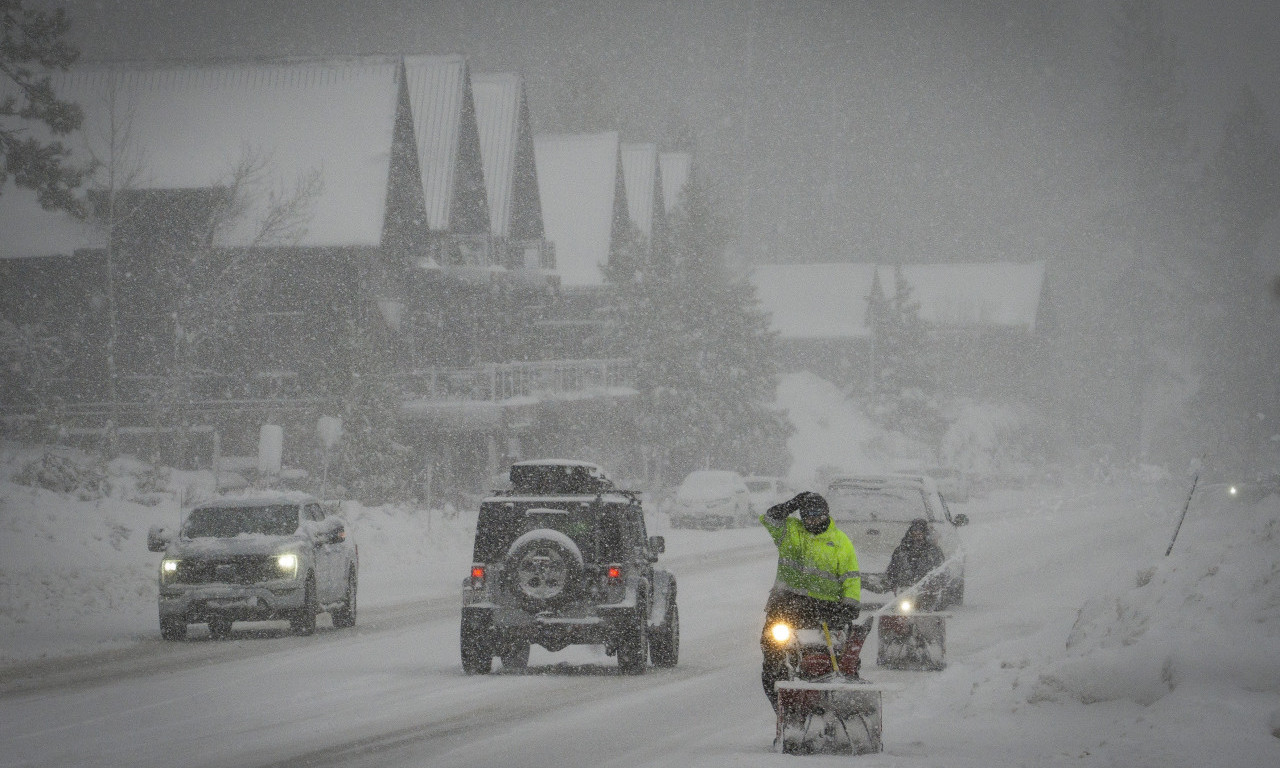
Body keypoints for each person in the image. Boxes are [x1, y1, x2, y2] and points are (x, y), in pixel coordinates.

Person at [758, 491, 861, 711]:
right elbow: (770, 518)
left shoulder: (841, 542)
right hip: (785, 608)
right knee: (773, 659)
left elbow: (850, 578)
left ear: (826, 514)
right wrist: (791, 503)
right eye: (806, 514)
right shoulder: (789, 531)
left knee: (834, 660)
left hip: (825, 613)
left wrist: (849, 606)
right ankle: (784, 711)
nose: (812, 519)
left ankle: (836, 703)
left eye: (817, 514)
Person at [885, 518, 945, 609]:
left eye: (920, 530)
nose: (917, 533)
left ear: (925, 532)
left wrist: (936, 584)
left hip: (927, 591)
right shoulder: (902, 550)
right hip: (906, 590)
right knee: (903, 612)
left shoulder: (934, 551)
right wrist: (893, 584)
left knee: (927, 611)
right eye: (915, 530)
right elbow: (893, 568)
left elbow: (942, 570)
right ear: (911, 531)